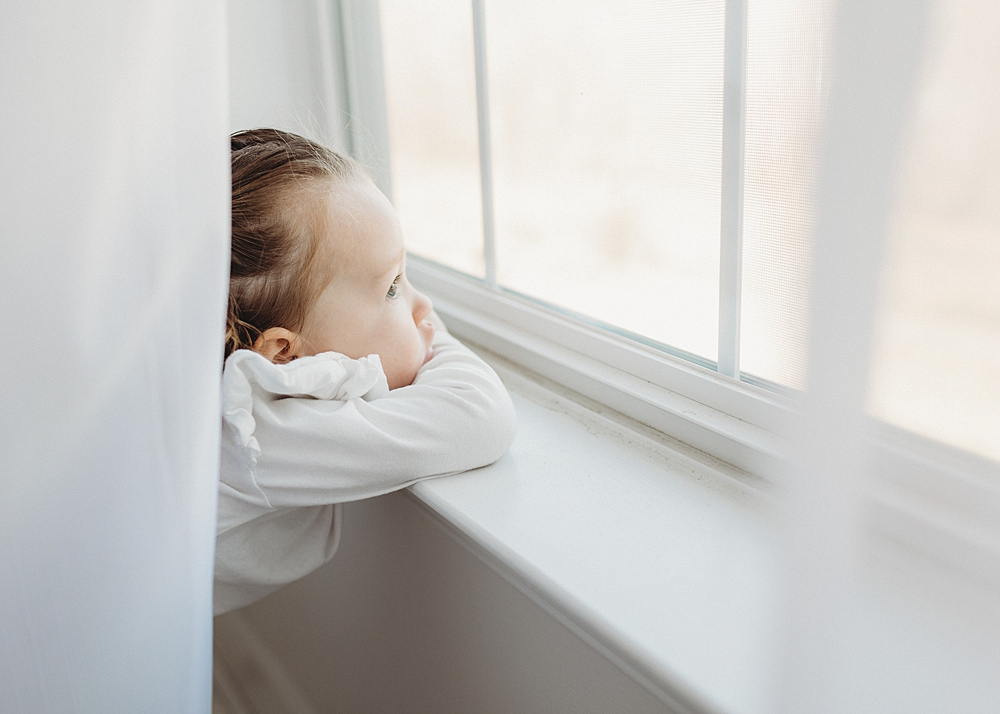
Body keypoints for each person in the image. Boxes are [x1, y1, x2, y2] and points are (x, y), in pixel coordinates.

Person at [215, 129, 517, 614]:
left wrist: (402, 309)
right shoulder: (254, 430)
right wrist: (430, 334)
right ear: (280, 354)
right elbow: (479, 413)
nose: (426, 307)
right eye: (393, 288)